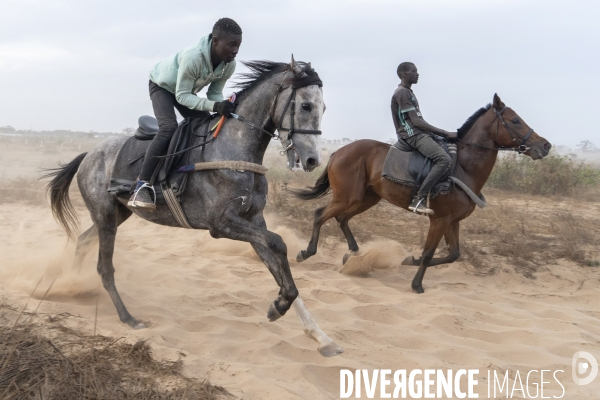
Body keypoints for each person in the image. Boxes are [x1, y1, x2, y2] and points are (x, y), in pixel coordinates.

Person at [128, 18, 243, 210]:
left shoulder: (229, 65)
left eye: (238, 45)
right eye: (231, 45)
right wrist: (215, 106)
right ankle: (142, 185)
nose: (235, 50)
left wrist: (220, 105)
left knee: (208, 124)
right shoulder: (194, 58)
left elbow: (213, 94)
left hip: (184, 91)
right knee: (168, 127)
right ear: (215, 41)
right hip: (162, 87)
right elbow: (182, 96)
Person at [391, 62, 457, 215]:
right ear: (404, 74)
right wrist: (444, 133)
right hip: (412, 135)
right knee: (444, 160)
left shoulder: (409, 92)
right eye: (414, 71)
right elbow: (416, 122)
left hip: (418, 132)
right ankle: (419, 198)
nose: (417, 74)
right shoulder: (402, 93)